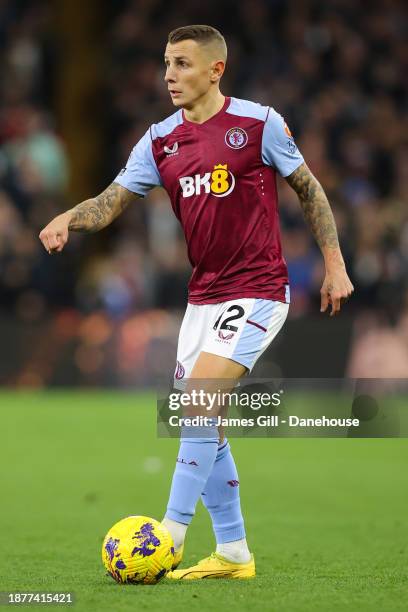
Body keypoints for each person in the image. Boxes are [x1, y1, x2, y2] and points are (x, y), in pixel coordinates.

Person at [39, 24, 354, 580]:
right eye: (166, 63)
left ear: (216, 70)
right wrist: (70, 217)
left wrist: (334, 263)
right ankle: (233, 552)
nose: (169, 75)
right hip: (203, 298)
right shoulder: (158, 140)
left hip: (257, 287)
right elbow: (113, 200)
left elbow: (309, 189)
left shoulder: (259, 123)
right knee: (201, 421)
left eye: (182, 64)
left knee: (200, 403)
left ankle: (169, 534)